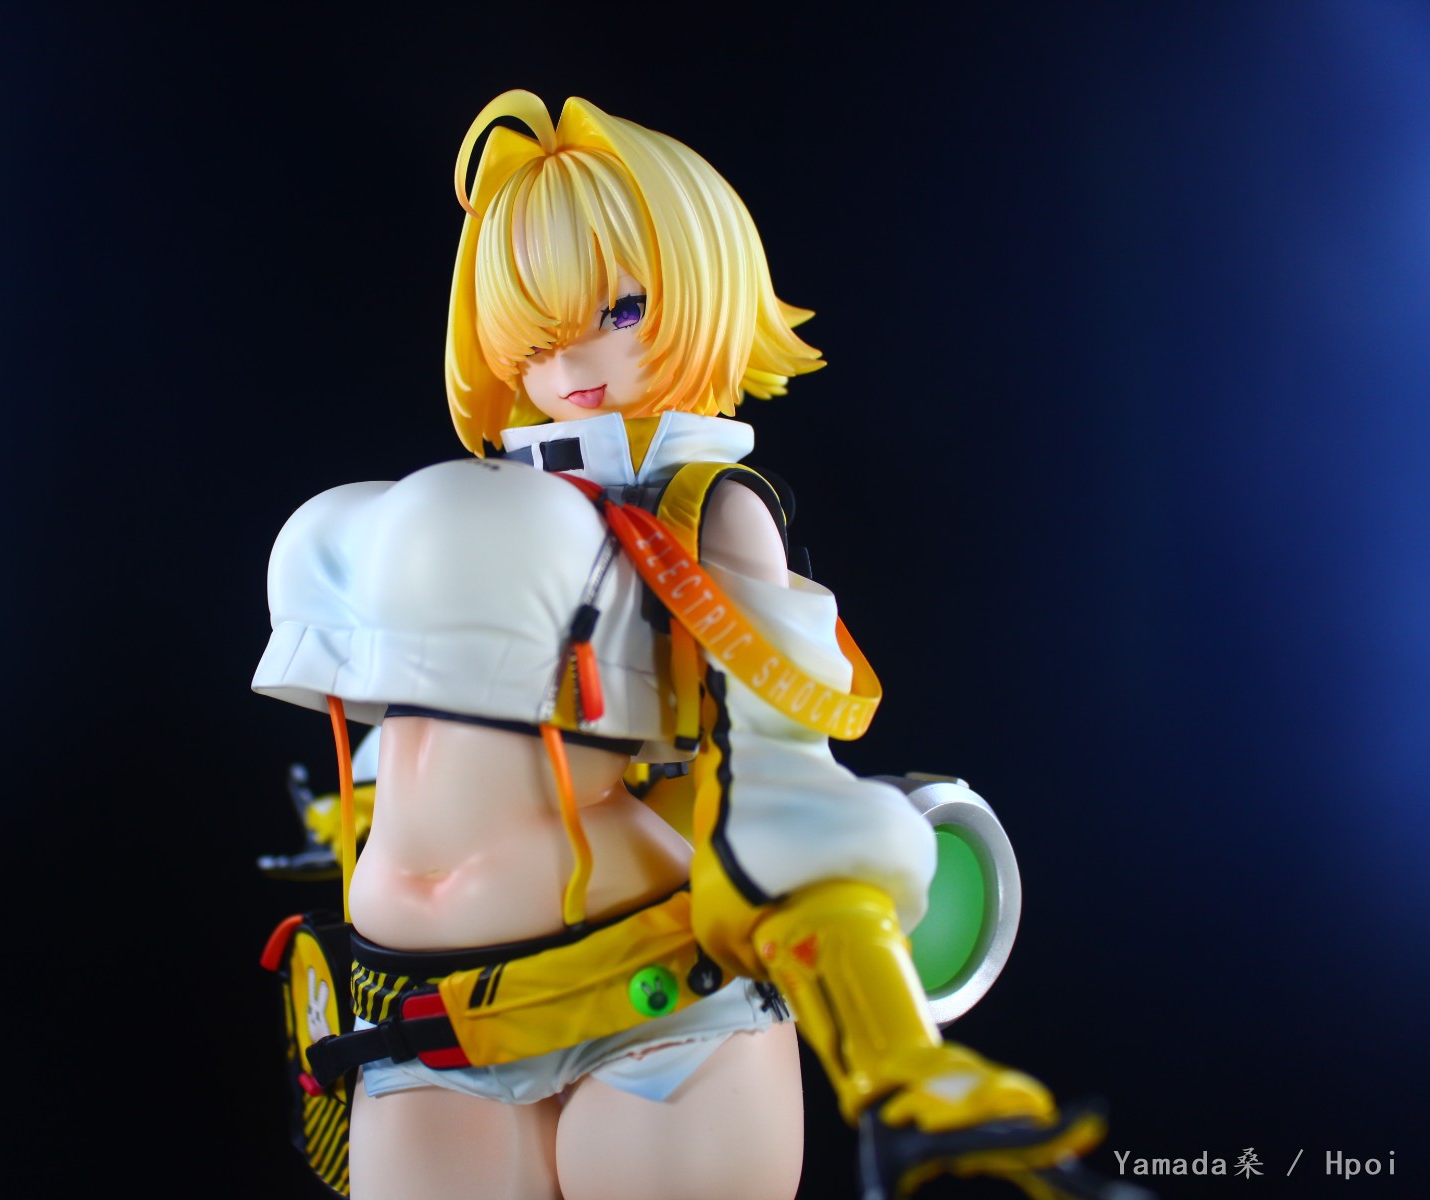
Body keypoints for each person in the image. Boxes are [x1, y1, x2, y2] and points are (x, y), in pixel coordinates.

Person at [255, 90, 1105, 1200]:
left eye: (620, 308)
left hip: (649, 1011)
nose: (576, 358)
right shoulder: (473, 503)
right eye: (538, 334)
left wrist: (897, 1054)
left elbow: (782, 764)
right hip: (421, 1020)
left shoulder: (708, 508)